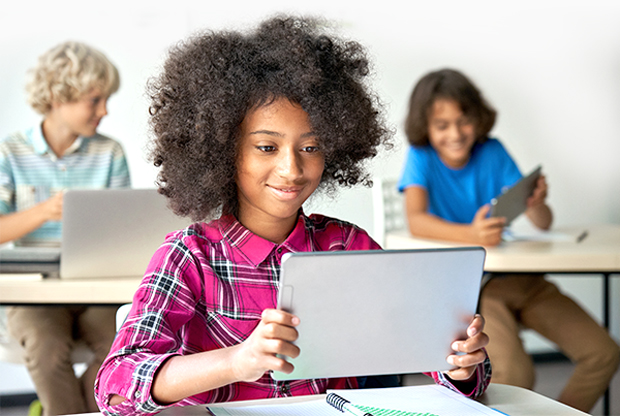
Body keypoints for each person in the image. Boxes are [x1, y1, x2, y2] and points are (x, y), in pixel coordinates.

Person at [94, 17, 491, 416]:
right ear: (222, 152)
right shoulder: (189, 257)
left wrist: (459, 363)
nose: (292, 169)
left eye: (311, 147)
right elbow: (117, 387)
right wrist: (237, 361)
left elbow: (444, 364)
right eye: (267, 147)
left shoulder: (346, 246)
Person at [397, 68, 620, 412]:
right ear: (425, 127)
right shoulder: (422, 156)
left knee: (603, 352)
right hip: (476, 290)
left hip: (519, 279)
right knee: (514, 374)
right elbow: (416, 220)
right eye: (442, 125)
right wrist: (471, 235)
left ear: (478, 118)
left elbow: (543, 223)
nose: (455, 133)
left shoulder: (493, 151)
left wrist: (537, 203)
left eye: (463, 121)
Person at [0, 41, 131, 415]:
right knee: (47, 347)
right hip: (36, 290)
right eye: (94, 100)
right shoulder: (9, 153)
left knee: (125, 343)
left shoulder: (111, 154)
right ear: (60, 97)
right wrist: (44, 211)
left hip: (96, 287)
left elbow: (123, 231)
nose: (104, 110)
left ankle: (68, 410)